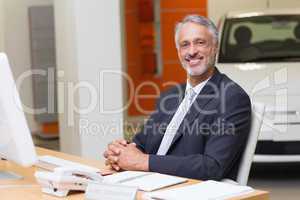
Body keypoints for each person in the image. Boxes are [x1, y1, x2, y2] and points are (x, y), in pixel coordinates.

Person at [103, 15, 251, 181]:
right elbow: (142, 143)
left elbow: (212, 166)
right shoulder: (171, 95)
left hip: (185, 189)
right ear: (179, 51)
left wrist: (143, 162)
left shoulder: (232, 98)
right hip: (148, 182)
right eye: (185, 44)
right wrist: (121, 152)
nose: (192, 51)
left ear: (215, 47)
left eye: (200, 42)